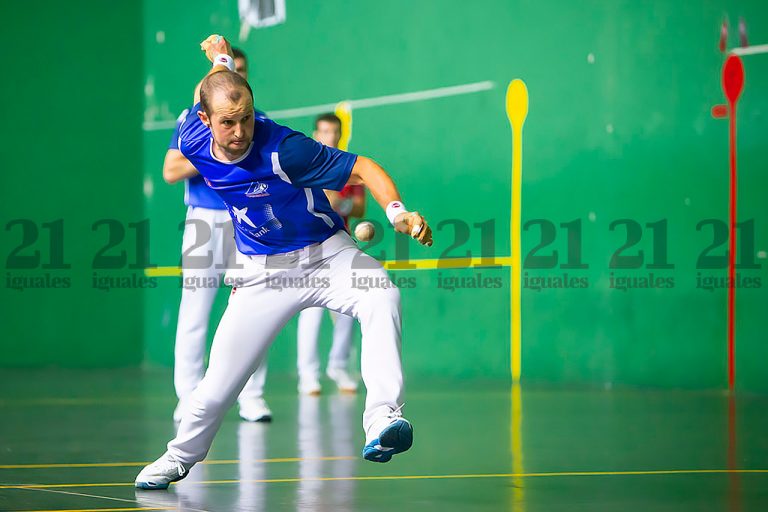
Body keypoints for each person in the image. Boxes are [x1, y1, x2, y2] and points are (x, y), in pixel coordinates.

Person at [135, 34, 432, 490]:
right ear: (204, 121)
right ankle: (177, 459)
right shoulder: (191, 138)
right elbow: (212, 85)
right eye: (228, 122)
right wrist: (220, 57)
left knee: (382, 294)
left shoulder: (283, 148)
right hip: (263, 274)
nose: (239, 133)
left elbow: (364, 168)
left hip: (325, 254)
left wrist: (397, 212)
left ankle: (382, 418)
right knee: (215, 389)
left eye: (247, 120)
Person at [163, 47, 272, 423]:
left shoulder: (260, 122)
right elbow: (172, 169)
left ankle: (252, 396)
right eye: (229, 70)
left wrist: (216, 152)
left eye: (241, 71)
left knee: (256, 310)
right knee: (194, 310)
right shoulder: (192, 119)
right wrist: (220, 152)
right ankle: (188, 396)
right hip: (202, 223)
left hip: (250, 223)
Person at [296, 113, 366, 395]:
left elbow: (359, 207)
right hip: (309, 246)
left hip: (341, 246)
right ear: (315, 134)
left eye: (334, 131)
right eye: (325, 131)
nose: (331, 136)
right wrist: (332, 199)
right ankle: (308, 375)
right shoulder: (302, 164)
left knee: (350, 308)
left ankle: (338, 365)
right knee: (311, 311)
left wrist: (341, 203)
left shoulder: (350, 166)